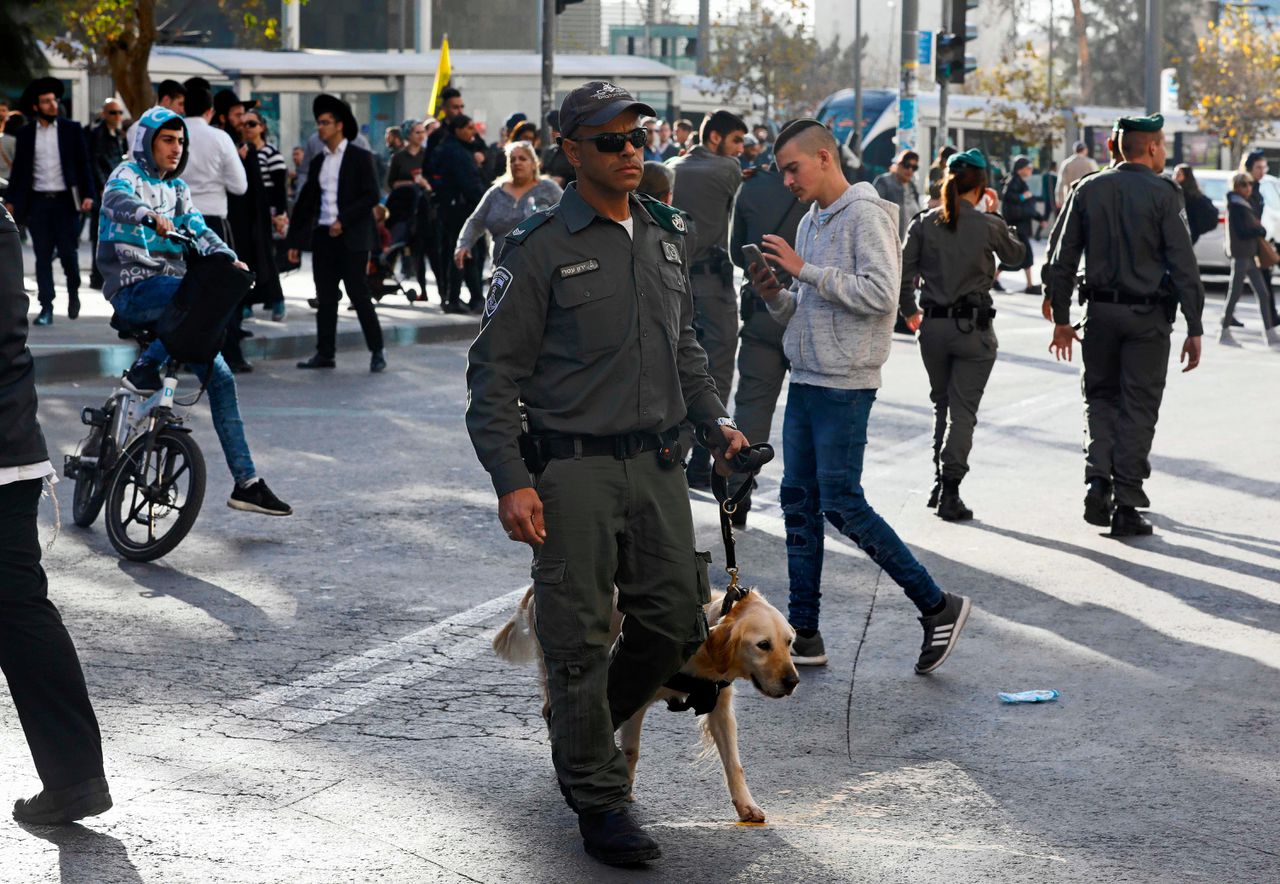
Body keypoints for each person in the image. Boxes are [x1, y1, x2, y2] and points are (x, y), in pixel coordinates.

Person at [465, 80, 747, 867]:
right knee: (580, 640)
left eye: (639, 139)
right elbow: (493, 378)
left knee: (676, 624)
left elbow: (683, 344)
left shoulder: (663, 232)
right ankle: (599, 798)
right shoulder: (539, 246)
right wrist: (511, 479)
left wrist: (713, 419)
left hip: (659, 465)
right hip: (572, 472)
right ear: (574, 151)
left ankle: (577, 733)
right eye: (613, 141)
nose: (633, 153)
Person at [748, 119, 969, 672]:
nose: (788, 181)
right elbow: (804, 306)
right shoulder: (809, 222)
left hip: (845, 384)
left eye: (792, 169)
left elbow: (880, 295)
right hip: (805, 379)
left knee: (842, 503)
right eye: (781, 172)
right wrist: (777, 294)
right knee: (798, 505)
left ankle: (937, 604)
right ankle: (806, 633)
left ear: (824, 158)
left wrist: (807, 271)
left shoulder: (866, 215)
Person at [99, 106, 292, 516]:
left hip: (174, 298)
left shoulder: (180, 189)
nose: (176, 148)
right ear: (147, 141)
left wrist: (229, 258)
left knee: (221, 378)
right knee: (197, 299)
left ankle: (247, 483)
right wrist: (148, 216)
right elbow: (117, 201)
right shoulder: (126, 175)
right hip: (135, 288)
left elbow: (200, 230)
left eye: (180, 141)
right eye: (167, 140)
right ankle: (145, 369)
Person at [1, 201, 113, 826]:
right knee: (18, 609)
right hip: (8, 444)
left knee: (18, 609)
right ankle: (73, 776)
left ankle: (74, 776)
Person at [1043, 114, 1205, 537]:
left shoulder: (1088, 188)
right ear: (1150, 147)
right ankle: (1127, 503)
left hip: (1098, 314)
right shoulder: (1165, 193)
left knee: (1099, 398)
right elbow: (1184, 265)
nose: (1164, 150)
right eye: (1163, 143)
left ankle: (1099, 480)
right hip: (1148, 320)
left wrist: (1061, 319)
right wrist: (1195, 325)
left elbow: (1060, 260)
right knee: (1138, 406)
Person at [899, 149, 1026, 521]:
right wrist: (996, 213)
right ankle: (950, 488)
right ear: (982, 186)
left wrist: (910, 311)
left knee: (943, 406)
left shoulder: (924, 223)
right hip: (973, 331)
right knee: (962, 412)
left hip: (933, 327)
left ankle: (939, 482)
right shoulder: (988, 224)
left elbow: (903, 273)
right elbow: (1017, 256)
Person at [666, 108, 748, 488]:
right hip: (713, 286)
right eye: (736, 141)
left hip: (673, 281)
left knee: (675, 367)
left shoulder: (669, 167)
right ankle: (705, 457)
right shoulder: (728, 170)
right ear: (715, 138)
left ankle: (673, 454)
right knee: (716, 371)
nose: (741, 151)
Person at [725, 152, 808, 526]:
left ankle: (738, 494)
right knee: (809, 411)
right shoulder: (822, 187)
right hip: (808, 311)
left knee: (752, 408)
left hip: (761, 307)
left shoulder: (752, 184)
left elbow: (735, 252)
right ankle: (807, 500)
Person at [287, 94, 387, 373]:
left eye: (326, 123)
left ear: (340, 125)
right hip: (323, 237)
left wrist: (344, 220)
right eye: (319, 122)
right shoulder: (319, 161)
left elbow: (371, 196)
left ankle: (377, 350)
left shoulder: (360, 157)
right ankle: (325, 353)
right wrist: (294, 241)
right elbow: (307, 203)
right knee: (326, 296)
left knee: (358, 292)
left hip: (353, 237)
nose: (320, 128)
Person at [4, 77, 94, 326]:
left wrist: (88, 195)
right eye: (46, 101)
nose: (53, 105)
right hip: (39, 204)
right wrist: (11, 201)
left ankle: (74, 293)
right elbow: (20, 172)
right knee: (42, 257)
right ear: (36, 107)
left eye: (54, 100)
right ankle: (47, 307)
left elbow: (83, 164)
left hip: (66, 203)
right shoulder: (25, 135)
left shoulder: (71, 129)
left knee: (69, 254)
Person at [454, 140, 562, 269]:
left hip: (540, 271)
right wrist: (463, 245)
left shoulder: (548, 188)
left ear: (534, 164)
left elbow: (569, 216)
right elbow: (475, 221)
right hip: (501, 271)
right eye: (512, 160)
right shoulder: (496, 192)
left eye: (522, 159)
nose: (517, 163)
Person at [428, 114, 488, 313]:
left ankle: (463, 297)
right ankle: (461, 298)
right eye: (469, 128)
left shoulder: (456, 149)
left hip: (455, 208)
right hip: (461, 209)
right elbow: (469, 183)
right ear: (458, 129)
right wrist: (484, 202)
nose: (473, 132)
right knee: (465, 252)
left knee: (465, 252)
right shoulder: (456, 152)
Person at [238, 108, 289, 323]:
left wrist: (280, 214)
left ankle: (277, 301)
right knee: (247, 257)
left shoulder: (271, 153)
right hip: (245, 214)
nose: (247, 128)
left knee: (267, 257)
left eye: (252, 124)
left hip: (266, 215)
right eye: (244, 124)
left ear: (262, 127)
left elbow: (279, 188)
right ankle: (247, 302)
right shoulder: (240, 152)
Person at [1221, 171, 1279, 344]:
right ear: (1236, 187)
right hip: (1240, 256)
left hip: (1250, 256)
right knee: (1234, 295)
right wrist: (1259, 230)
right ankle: (1224, 331)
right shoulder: (1235, 205)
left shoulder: (1245, 204)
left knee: (1263, 293)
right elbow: (1242, 231)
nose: (1248, 188)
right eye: (1244, 184)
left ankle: (1269, 332)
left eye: (1250, 184)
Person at [87, 98, 128, 290]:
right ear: (104, 114)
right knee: (100, 233)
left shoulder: (119, 134)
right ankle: (98, 276)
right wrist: (104, 185)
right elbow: (94, 162)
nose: (117, 116)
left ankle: (104, 274)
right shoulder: (98, 134)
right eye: (113, 112)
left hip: (117, 189)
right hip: (104, 192)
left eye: (120, 112)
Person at [1240, 149, 1279, 325]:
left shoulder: (1258, 187)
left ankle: (1271, 318)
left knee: (1262, 284)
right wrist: (1259, 231)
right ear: (1249, 168)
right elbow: (1245, 218)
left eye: (1264, 167)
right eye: (1258, 167)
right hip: (1248, 243)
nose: (1262, 171)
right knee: (1248, 286)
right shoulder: (1245, 188)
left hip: (1259, 240)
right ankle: (1270, 320)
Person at [1000, 155, 1040, 294]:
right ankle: (1029, 285)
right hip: (1017, 226)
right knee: (1023, 254)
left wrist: (1039, 217)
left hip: (1019, 225)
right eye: (1028, 168)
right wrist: (1024, 197)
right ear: (1020, 169)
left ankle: (994, 279)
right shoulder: (1014, 183)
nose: (1030, 171)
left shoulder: (1019, 182)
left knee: (1017, 255)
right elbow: (1010, 199)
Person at [873, 149, 922, 240]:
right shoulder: (884, 182)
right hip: (889, 241)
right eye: (907, 165)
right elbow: (874, 212)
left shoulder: (912, 186)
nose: (910, 170)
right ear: (899, 164)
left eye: (914, 167)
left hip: (910, 244)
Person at [1175, 164, 1218, 246]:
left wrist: (1194, 230)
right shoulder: (1176, 192)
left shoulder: (1191, 196)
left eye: (1178, 174)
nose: (1175, 177)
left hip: (1186, 236)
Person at [1057, 141, 1097, 209]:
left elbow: (1061, 183)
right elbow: (1097, 180)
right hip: (1087, 199)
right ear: (1085, 150)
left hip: (1071, 198)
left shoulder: (1066, 163)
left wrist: (1059, 199)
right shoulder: (1090, 163)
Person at [926, 144, 957, 209]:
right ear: (945, 159)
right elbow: (933, 191)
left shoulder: (944, 169)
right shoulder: (936, 170)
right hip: (936, 206)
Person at [1038, 160, 1058, 239]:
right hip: (1052, 200)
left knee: (1045, 217)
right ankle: (1057, 235)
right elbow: (1053, 190)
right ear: (1054, 167)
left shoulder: (1045, 176)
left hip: (1047, 200)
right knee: (1057, 218)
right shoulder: (1053, 177)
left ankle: (1037, 234)